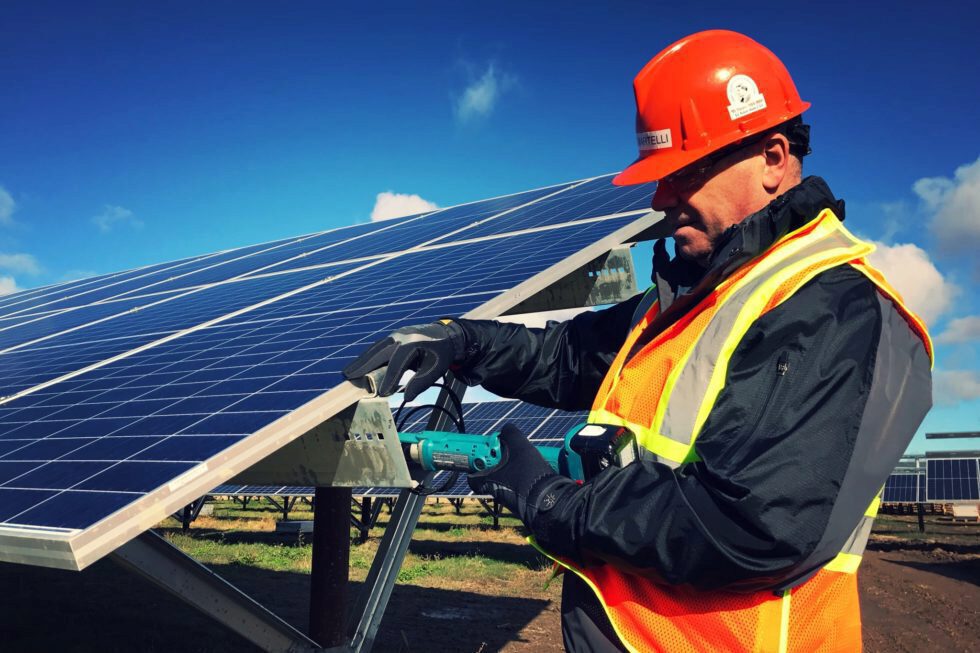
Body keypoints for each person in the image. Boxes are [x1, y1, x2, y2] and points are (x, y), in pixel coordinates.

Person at [344, 30, 933, 653]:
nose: (660, 199)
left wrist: (550, 502)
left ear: (773, 158)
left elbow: (751, 524)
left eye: (683, 174)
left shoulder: (830, 305)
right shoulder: (694, 296)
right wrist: (461, 341)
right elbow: (569, 355)